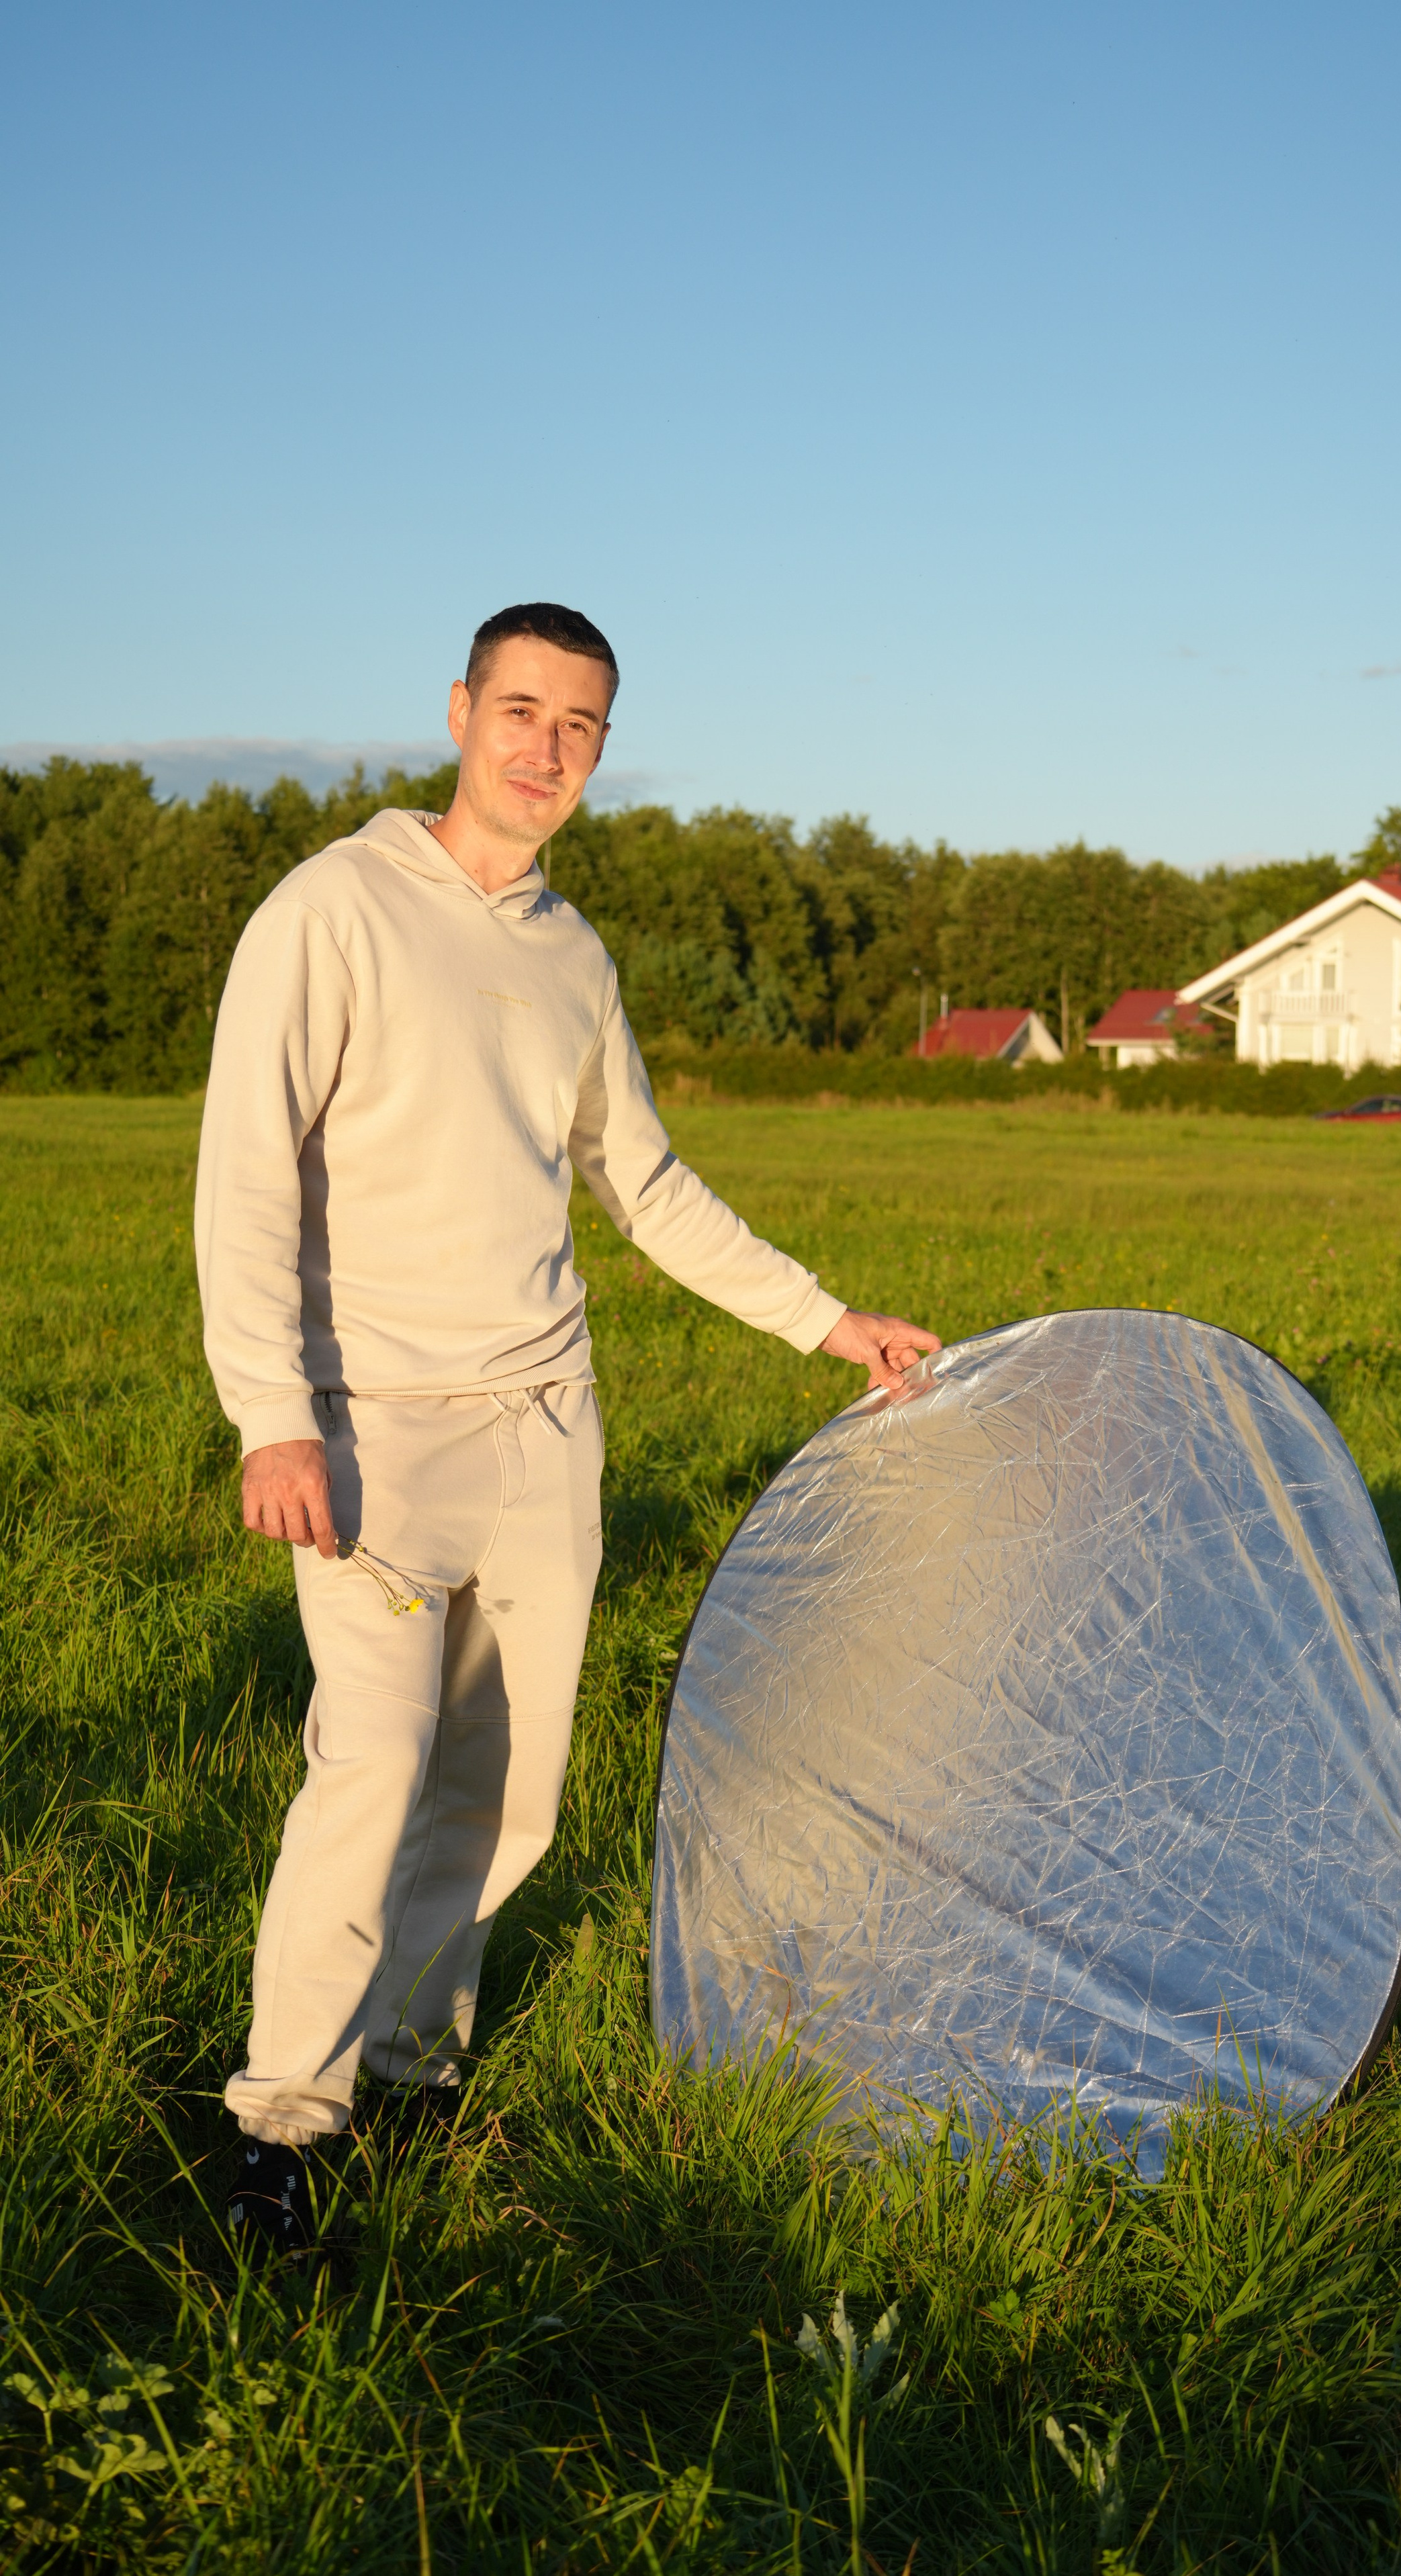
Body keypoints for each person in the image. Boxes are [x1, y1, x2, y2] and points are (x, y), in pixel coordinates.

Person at [195, 602, 940, 2255]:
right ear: (460, 711)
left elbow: (648, 1188)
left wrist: (829, 1320)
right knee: (372, 1767)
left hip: (546, 1433)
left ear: (600, 752)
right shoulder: (329, 911)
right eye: (521, 710)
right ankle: (281, 2128)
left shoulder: (571, 957)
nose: (545, 748)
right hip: (373, 1429)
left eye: (581, 726)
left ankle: (409, 2062)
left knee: (507, 1790)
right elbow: (245, 1177)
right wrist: (275, 1417)